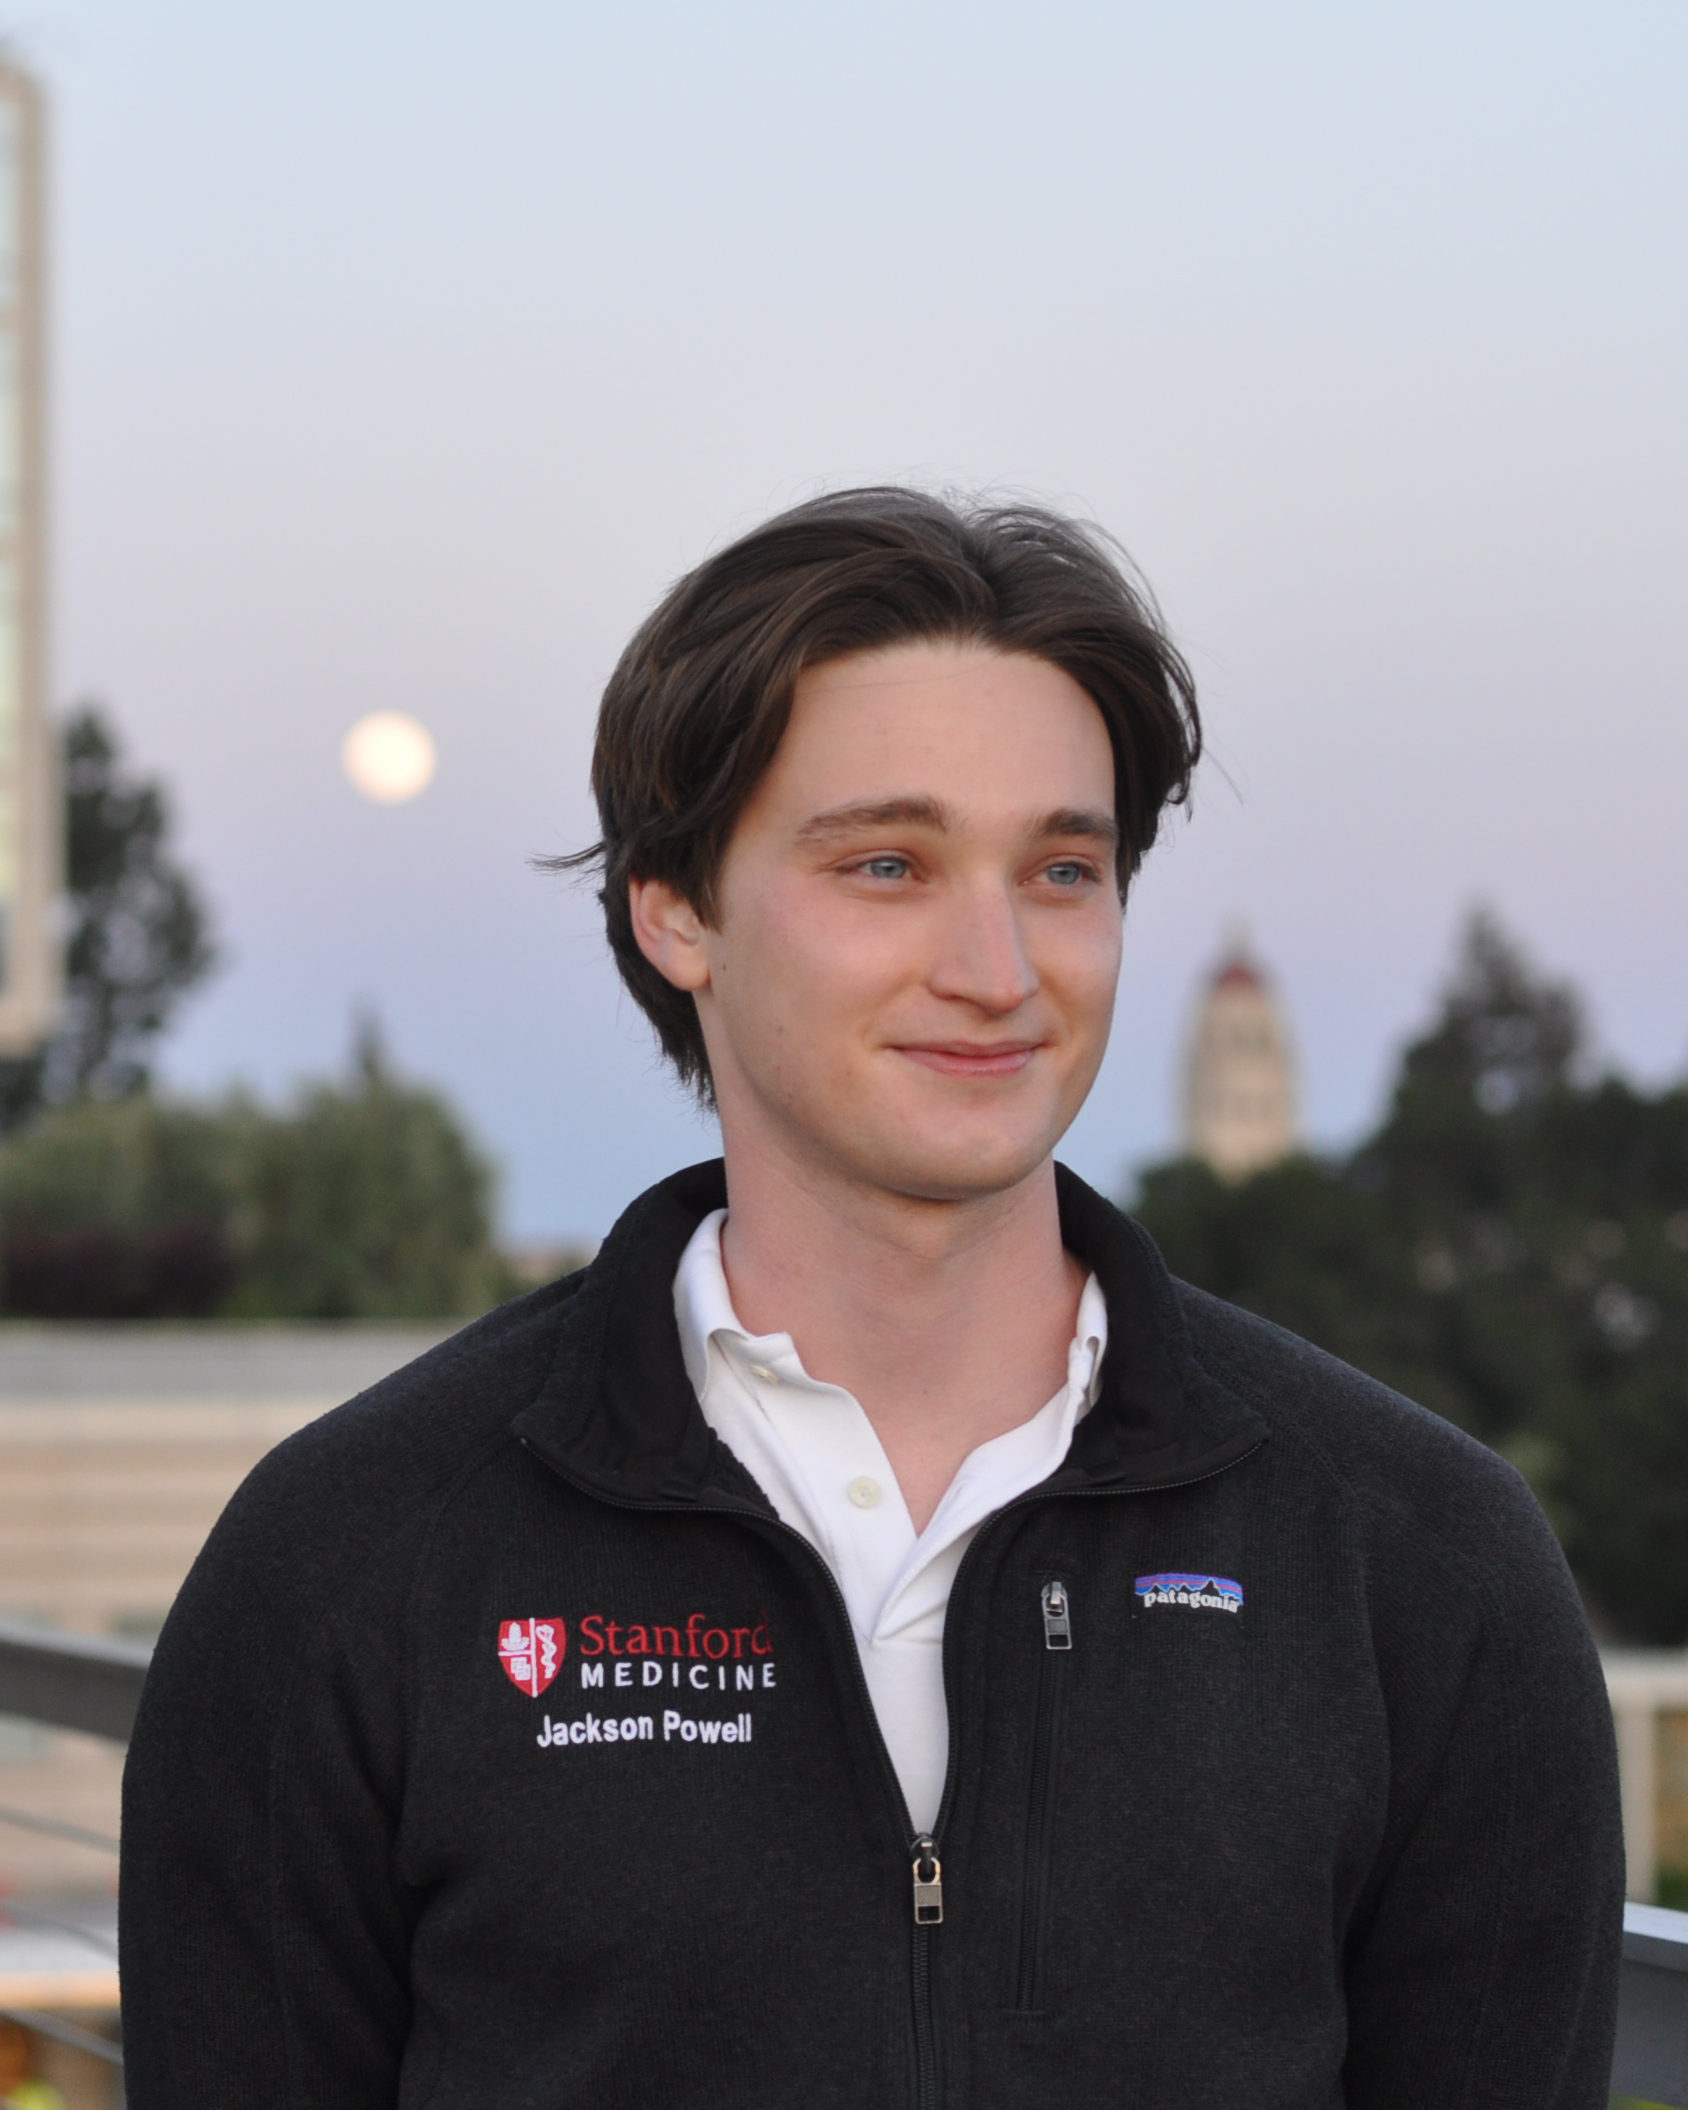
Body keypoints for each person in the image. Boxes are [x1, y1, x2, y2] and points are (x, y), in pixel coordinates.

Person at [120, 488, 1624, 2107]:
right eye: (890, 863)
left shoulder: (1426, 1568)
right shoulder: (350, 1563)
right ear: (675, 906)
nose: (998, 967)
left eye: (1063, 867)